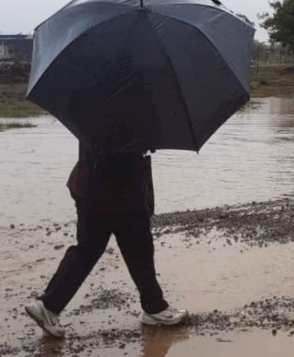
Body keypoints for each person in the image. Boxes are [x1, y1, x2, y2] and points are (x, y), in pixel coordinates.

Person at [25, 142, 187, 337]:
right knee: (136, 247)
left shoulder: (90, 115)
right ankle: (154, 308)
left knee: (95, 248)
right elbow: (123, 143)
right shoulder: (123, 116)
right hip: (117, 188)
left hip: (92, 185)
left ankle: (49, 306)